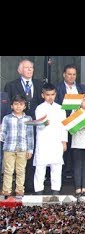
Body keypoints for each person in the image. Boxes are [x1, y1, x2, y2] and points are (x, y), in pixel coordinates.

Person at [4, 59, 44, 193]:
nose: (29, 70)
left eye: (31, 68)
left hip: (35, 124)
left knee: (32, 153)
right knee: (12, 164)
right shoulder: (10, 85)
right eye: (26, 68)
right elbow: (6, 106)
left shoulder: (39, 84)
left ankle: (30, 185)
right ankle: (9, 189)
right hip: (17, 125)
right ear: (19, 70)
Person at [55, 64, 85, 182]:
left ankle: (77, 180)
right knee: (64, 152)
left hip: (79, 125)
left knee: (77, 153)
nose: (71, 77)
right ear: (64, 74)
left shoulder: (82, 88)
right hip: (63, 124)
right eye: (69, 74)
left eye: (74, 74)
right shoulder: (57, 88)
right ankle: (63, 179)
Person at [33, 83, 68, 195]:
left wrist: (64, 141)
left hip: (56, 141)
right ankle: (39, 191)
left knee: (56, 167)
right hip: (43, 141)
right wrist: (43, 123)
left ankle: (56, 191)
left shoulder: (60, 109)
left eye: (52, 94)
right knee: (40, 168)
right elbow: (38, 124)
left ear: (55, 94)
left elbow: (64, 126)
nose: (50, 97)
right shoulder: (39, 108)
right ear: (43, 95)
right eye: (47, 95)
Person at [1, 95, 34, 196]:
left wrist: (30, 150)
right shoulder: (6, 118)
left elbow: (30, 135)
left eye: (21, 104)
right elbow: (3, 132)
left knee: (21, 170)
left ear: (24, 106)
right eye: (16, 104)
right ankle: (6, 190)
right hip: (9, 148)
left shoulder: (28, 118)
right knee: (8, 170)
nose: (18, 107)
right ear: (11, 106)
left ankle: (19, 189)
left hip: (23, 148)